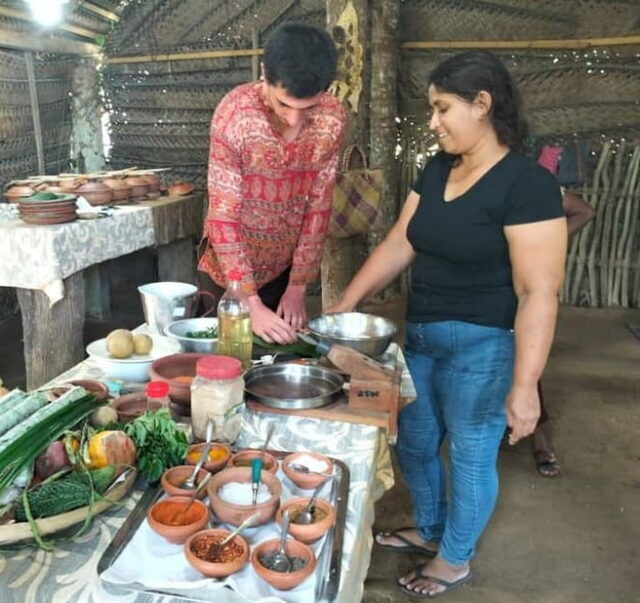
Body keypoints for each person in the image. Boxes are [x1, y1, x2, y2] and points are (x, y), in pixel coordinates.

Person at [325, 50, 567, 597]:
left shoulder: (525, 184)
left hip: (484, 345)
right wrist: (348, 301)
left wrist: (526, 387)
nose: (433, 122)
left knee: (470, 451)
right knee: (413, 442)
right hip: (424, 336)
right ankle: (431, 528)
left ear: (482, 105)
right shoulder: (437, 169)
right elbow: (400, 242)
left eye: (442, 108)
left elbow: (538, 291)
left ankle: (454, 558)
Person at [197, 23, 346, 344]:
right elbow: (223, 217)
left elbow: (318, 209)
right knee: (223, 361)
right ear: (264, 73)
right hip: (227, 275)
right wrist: (247, 300)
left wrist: (297, 288)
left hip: (284, 270)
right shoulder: (235, 116)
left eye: (306, 109)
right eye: (283, 104)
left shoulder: (332, 119)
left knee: (278, 358)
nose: (294, 119)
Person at [531, 152, 595, 477]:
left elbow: (584, 211)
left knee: (525, 355)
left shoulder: (539, 187)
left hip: (527, 282)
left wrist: (548, 241)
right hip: (488, 283)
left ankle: (539, 436)